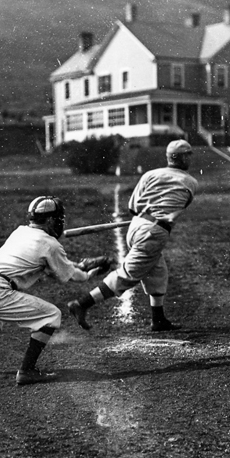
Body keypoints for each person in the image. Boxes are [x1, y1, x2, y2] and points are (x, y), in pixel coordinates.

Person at [0, 196, 109, 385]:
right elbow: (67, 275)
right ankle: (27, 371)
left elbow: (50, 265)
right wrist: (88, 272)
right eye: (58, 218)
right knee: (51, 316)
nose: (60, 222)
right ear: (51, 220)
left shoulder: (20, 232)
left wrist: (79, 264)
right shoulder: (50, 245)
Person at [67, 139, 199, 332]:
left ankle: (158, 319)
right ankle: (82, 303)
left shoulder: (149, 175)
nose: (190, 158)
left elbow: (132, 207)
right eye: (188, 154)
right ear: (183, 157)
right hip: (154, 232)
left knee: (158, 270)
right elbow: (176, 208)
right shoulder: (191, 183)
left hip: (137, 225)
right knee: (128, 275)